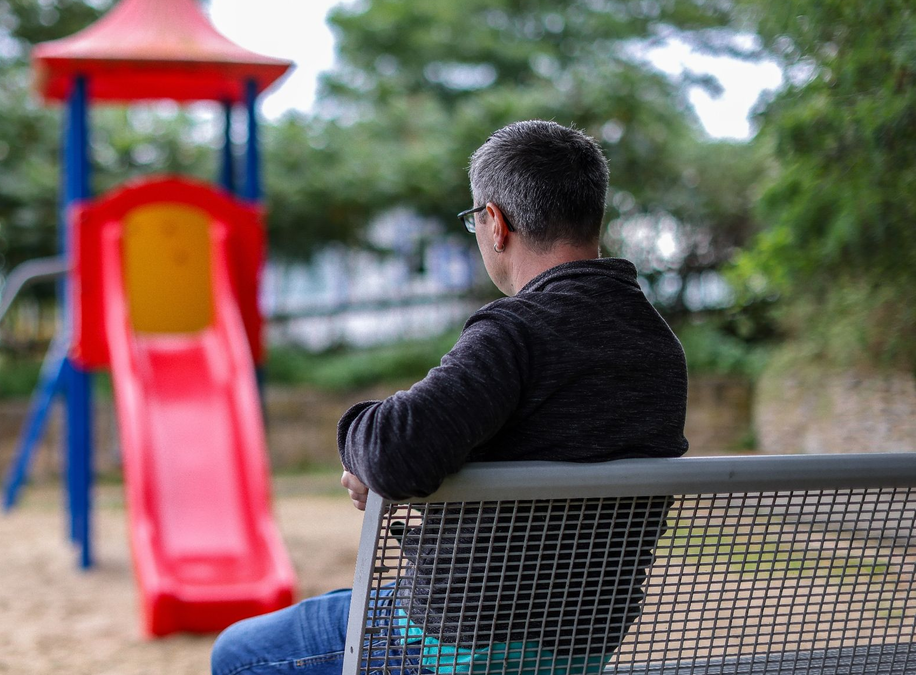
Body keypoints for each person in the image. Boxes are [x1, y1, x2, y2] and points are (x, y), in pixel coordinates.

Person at [210, 120, 688, 675]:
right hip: (580, 646)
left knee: (240, 653)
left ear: (495, 223)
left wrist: (361, 441)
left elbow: (394, 452)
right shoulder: (659, 347)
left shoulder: (518, 330)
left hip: (459, 641)